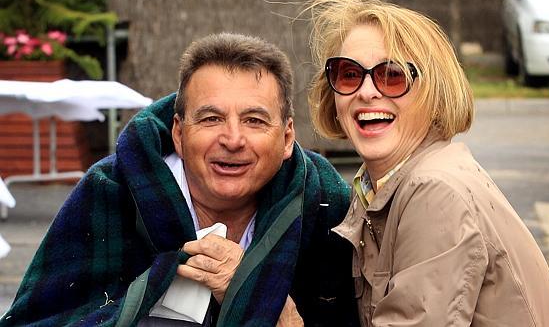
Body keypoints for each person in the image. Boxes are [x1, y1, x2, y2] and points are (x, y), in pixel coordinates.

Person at [0, 33, 358, 326]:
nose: (233, 139)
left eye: (254, 120)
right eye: (210, 119)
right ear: (178, 133)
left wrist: (258, 298)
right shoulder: (112, 191)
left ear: (286, 138)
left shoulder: (324, 203)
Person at [305, 0, 549, 326]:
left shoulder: (434, 192)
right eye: (348, 74)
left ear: (433, 92)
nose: (367, 91)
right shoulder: (380, 186)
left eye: (392, 75)